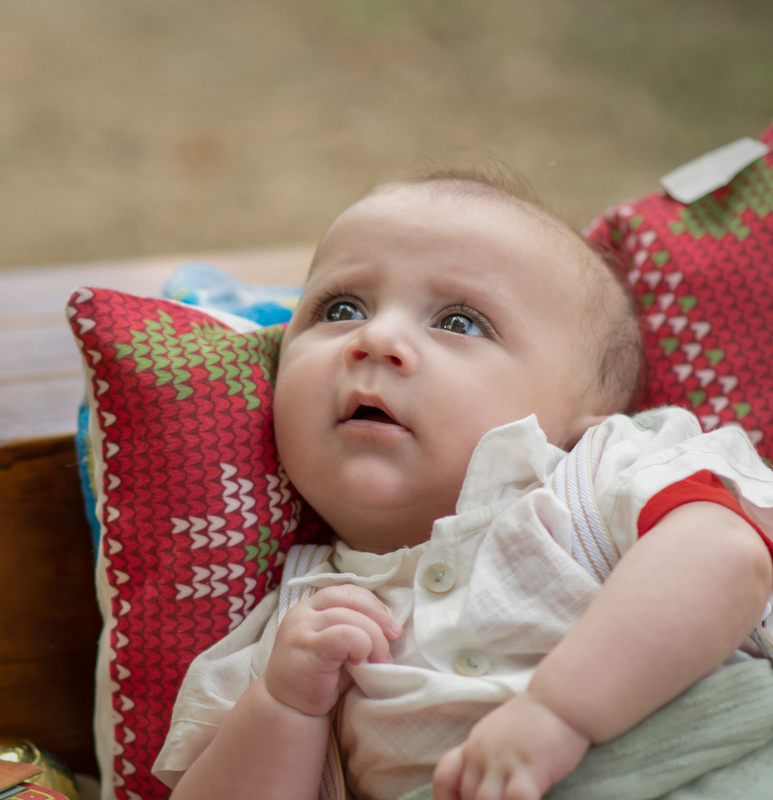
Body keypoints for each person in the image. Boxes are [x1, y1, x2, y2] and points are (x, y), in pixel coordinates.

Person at [152, 170, 773, 800]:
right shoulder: (291, 634)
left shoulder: (597, 480)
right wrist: (285, 708)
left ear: (581, 419)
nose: (377, 339)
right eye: (341, 310)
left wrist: (559, 713)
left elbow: (728, 557)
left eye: (459, 322)